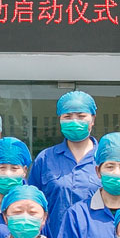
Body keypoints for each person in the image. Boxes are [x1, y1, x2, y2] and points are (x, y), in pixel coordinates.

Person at [31, 91, 102, 229]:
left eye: (81, 116)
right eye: (67, 117)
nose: (74, 121)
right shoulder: (45, 159)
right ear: (60, 120)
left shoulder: (105, 159)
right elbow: (33, 202)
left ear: (93, 119)